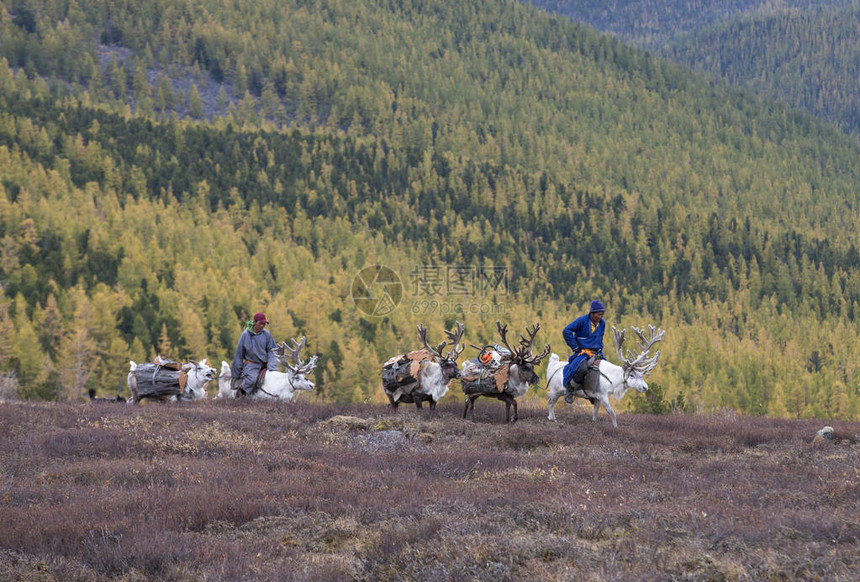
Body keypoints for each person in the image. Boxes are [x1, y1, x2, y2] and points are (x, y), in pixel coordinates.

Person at [561, 300, 606, 403]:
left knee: (603, 370)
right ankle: (570, 389)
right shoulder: (581, 321)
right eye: (599, 314)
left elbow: (600, 337)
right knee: (582, 369)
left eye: (602, 314)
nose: (600, 317)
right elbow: (566, 331)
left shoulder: (602, 323)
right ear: (592, 313)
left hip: (596, 353)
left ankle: (591, 392)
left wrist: (600, 348)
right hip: (582, 353)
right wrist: (575, 347)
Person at [231, 312, 278, 396]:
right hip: (251, 365)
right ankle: (241, 393)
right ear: (254, 322)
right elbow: (239, 355)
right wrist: (236, 373)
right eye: (260, 323)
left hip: (266, 364)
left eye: (264, 324)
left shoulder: (267, 334)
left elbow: (272, 350)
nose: (262, 326)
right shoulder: (245, 335)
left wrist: (272, 367)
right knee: (251, 380)